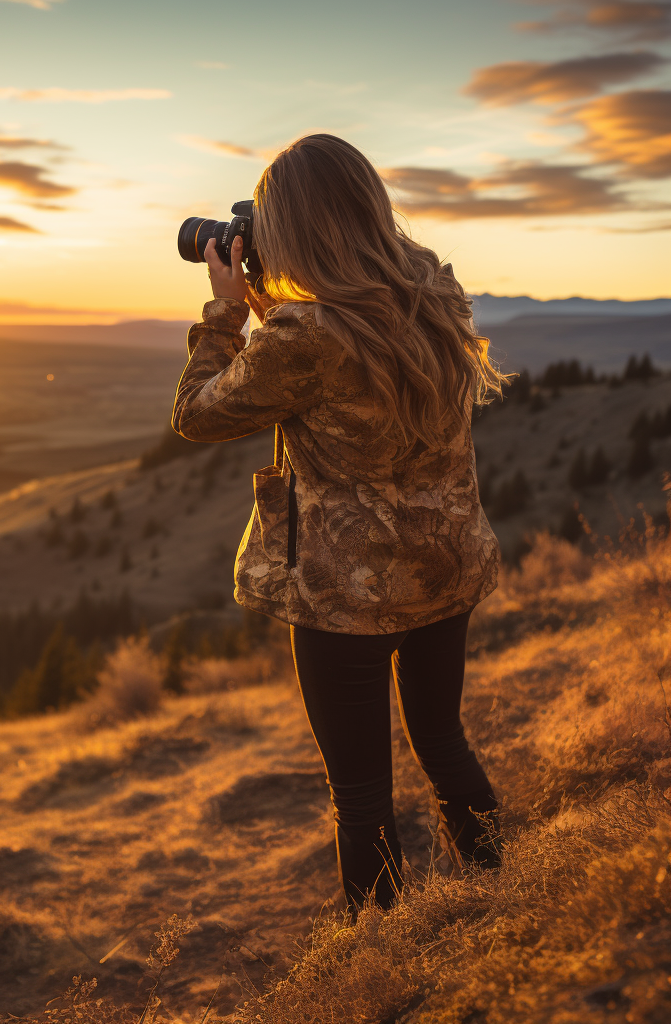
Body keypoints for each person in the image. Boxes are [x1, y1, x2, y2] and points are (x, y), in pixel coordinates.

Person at [171, 134, 507, 913]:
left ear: (295, 225)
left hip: (342, 598)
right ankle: (502, 893)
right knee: (445, 746)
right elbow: (336, 333)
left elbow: (196, 414)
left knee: (360, 797)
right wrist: (270, 294)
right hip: (444, 573)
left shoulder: (306, 338)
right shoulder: (434, 296)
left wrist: (226, 312)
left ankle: (378, 964)